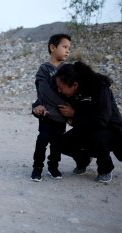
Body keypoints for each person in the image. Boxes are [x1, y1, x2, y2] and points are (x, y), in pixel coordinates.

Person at [54, 61, 122, 183]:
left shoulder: (99, 88)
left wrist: (75, 115)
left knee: (96, 137)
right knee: (60, 143)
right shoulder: (73, 92)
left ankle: (105, 169)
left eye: (61, 88)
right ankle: (84, 160)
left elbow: (101, 121)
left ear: (74, 85)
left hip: (111, 129)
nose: (59, 91)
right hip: (88, 127)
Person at [30, 34, 71, 182]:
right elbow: (44, 92)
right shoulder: (44, 69)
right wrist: (63, 105)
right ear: (53, 48)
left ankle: (53, 167)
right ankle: (37, 168)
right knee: (42, 140)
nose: (67, 51)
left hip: (61, 117)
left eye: (69, 48)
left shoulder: (67, 69)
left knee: (57, 144)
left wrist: (69, 110)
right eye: (64, 47)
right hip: (46, 115)